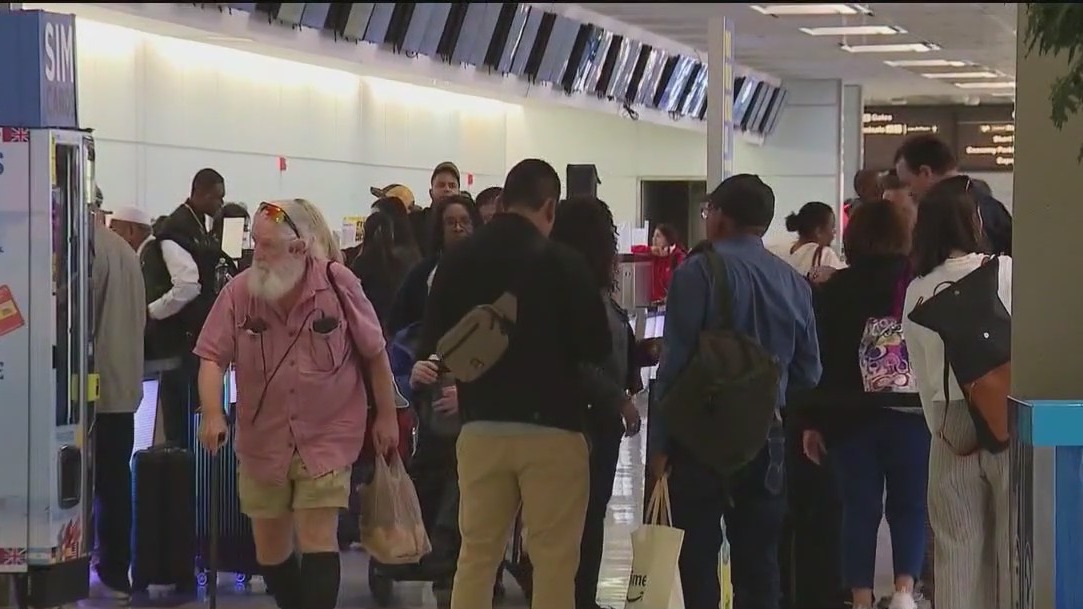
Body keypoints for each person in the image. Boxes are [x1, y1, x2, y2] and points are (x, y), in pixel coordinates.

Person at [414, 158, 611, 609]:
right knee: (554, 561)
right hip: (555, 432)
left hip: (481, 426)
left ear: (502, 200)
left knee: (477, 556)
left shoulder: (458, 259)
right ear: (549, 205)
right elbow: (597, 347)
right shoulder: (565, 263)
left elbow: (434, 344)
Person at [194, 199, 401, 609]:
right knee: (269, 547)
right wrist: (214, 413)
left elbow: (376, 353)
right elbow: (211, 356)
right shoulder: (240, 292)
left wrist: (388, 417)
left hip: (327, 431)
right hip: (262, 437)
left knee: (317, 533)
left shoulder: (338, 284)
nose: (259, 254)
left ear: (300, 247)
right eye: (255, 243)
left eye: (268, 245)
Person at [652, 174, 822, 609]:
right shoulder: (793, 283)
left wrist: (659, 447)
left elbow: (673, 366)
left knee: (698, 559)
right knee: (760, 562)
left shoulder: (698, 271)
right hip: (767, 438)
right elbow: (810, 372)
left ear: (721, 217)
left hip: (700, 440)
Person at [797, 200, 929, 609]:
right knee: (910, 504)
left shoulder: (834, 290)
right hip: (911, 412)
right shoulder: (917, 285)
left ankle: (860, 596)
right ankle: (905, 590)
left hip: (848, 416)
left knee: (859, 509)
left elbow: (820, 359)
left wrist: (812, 420)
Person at [901, 183, 1012, 609]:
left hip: (950, 423)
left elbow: (924, 376)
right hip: (1005, 412)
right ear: (975, 221)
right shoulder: (1005, 272)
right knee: (1010, 540)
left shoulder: (918, 290)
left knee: (956, 545)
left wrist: (941, 429)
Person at [550, 196, 643, 609]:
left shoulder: (582, 289)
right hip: (587, 420)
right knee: (582, 520)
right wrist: (618, 399)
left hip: (591, 419)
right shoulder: (580, 290)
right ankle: (576, 598)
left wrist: (639, 357)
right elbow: (577, 359)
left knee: (584, 518)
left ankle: (578, 596)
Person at [91, 202, 147, 600]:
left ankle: (103, 569)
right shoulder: (126, 250)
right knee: (116, 480)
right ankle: (115, 570)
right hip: (124, 383)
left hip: (95, 389)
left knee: (100, 481)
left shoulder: (87, 249)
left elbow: (76, 317)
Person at [156, 168, 227, 446]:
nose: (220, 204)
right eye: (217, 198)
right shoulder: (177, 230)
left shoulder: (197, 225)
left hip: (196, 337)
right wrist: (152, 313)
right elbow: (187, 286)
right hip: (182, 342)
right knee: (183, 423)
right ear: (201, 193)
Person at [893, 134, 1012, 255]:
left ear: (925, 172)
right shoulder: (990, 206)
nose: (909, 192)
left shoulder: (939, 212)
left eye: (908, 183)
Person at [388, 194, 483, 334]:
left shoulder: (487, 268)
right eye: (450, 222)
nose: (458, 228)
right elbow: (397, 321)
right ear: (441, 229)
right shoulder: (423, 272)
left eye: (464, 221)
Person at [770, 201, 845, 281]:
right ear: (818, 231)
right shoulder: (825, 255)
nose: (834, 233)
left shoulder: (775, 252)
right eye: (832, 227)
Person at [631, 223, 687, 303]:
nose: (654, 239)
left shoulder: (678, 257)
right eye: (653, 236)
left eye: (658, 236)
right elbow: (631, 251)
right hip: (654, 303)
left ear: (667, 238)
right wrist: (649, 250)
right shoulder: (653, 255)